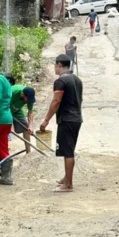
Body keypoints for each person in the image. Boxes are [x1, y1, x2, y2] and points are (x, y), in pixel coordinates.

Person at [39, 54, 83, 193]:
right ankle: (66, 178)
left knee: (67, 151)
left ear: (58, 64)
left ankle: (68, 185)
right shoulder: (77, 79)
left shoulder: (60, 81)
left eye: (55, 65)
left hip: (67, 119)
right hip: (76, 118)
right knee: (69, 149)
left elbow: (56, 101)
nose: (54, 68)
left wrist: (46, 120)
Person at [9, 82, 36, 155]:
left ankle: (28, 153)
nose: (27, 102)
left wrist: (30, 125)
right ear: (22, 94)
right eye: (26, 99)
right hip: (5, 109)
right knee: (4, 128)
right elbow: (1, 101)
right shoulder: (13, 91)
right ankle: (3, 153)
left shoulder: (29, 97)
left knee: (27, 129)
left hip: (17, 110)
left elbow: (30, 112)